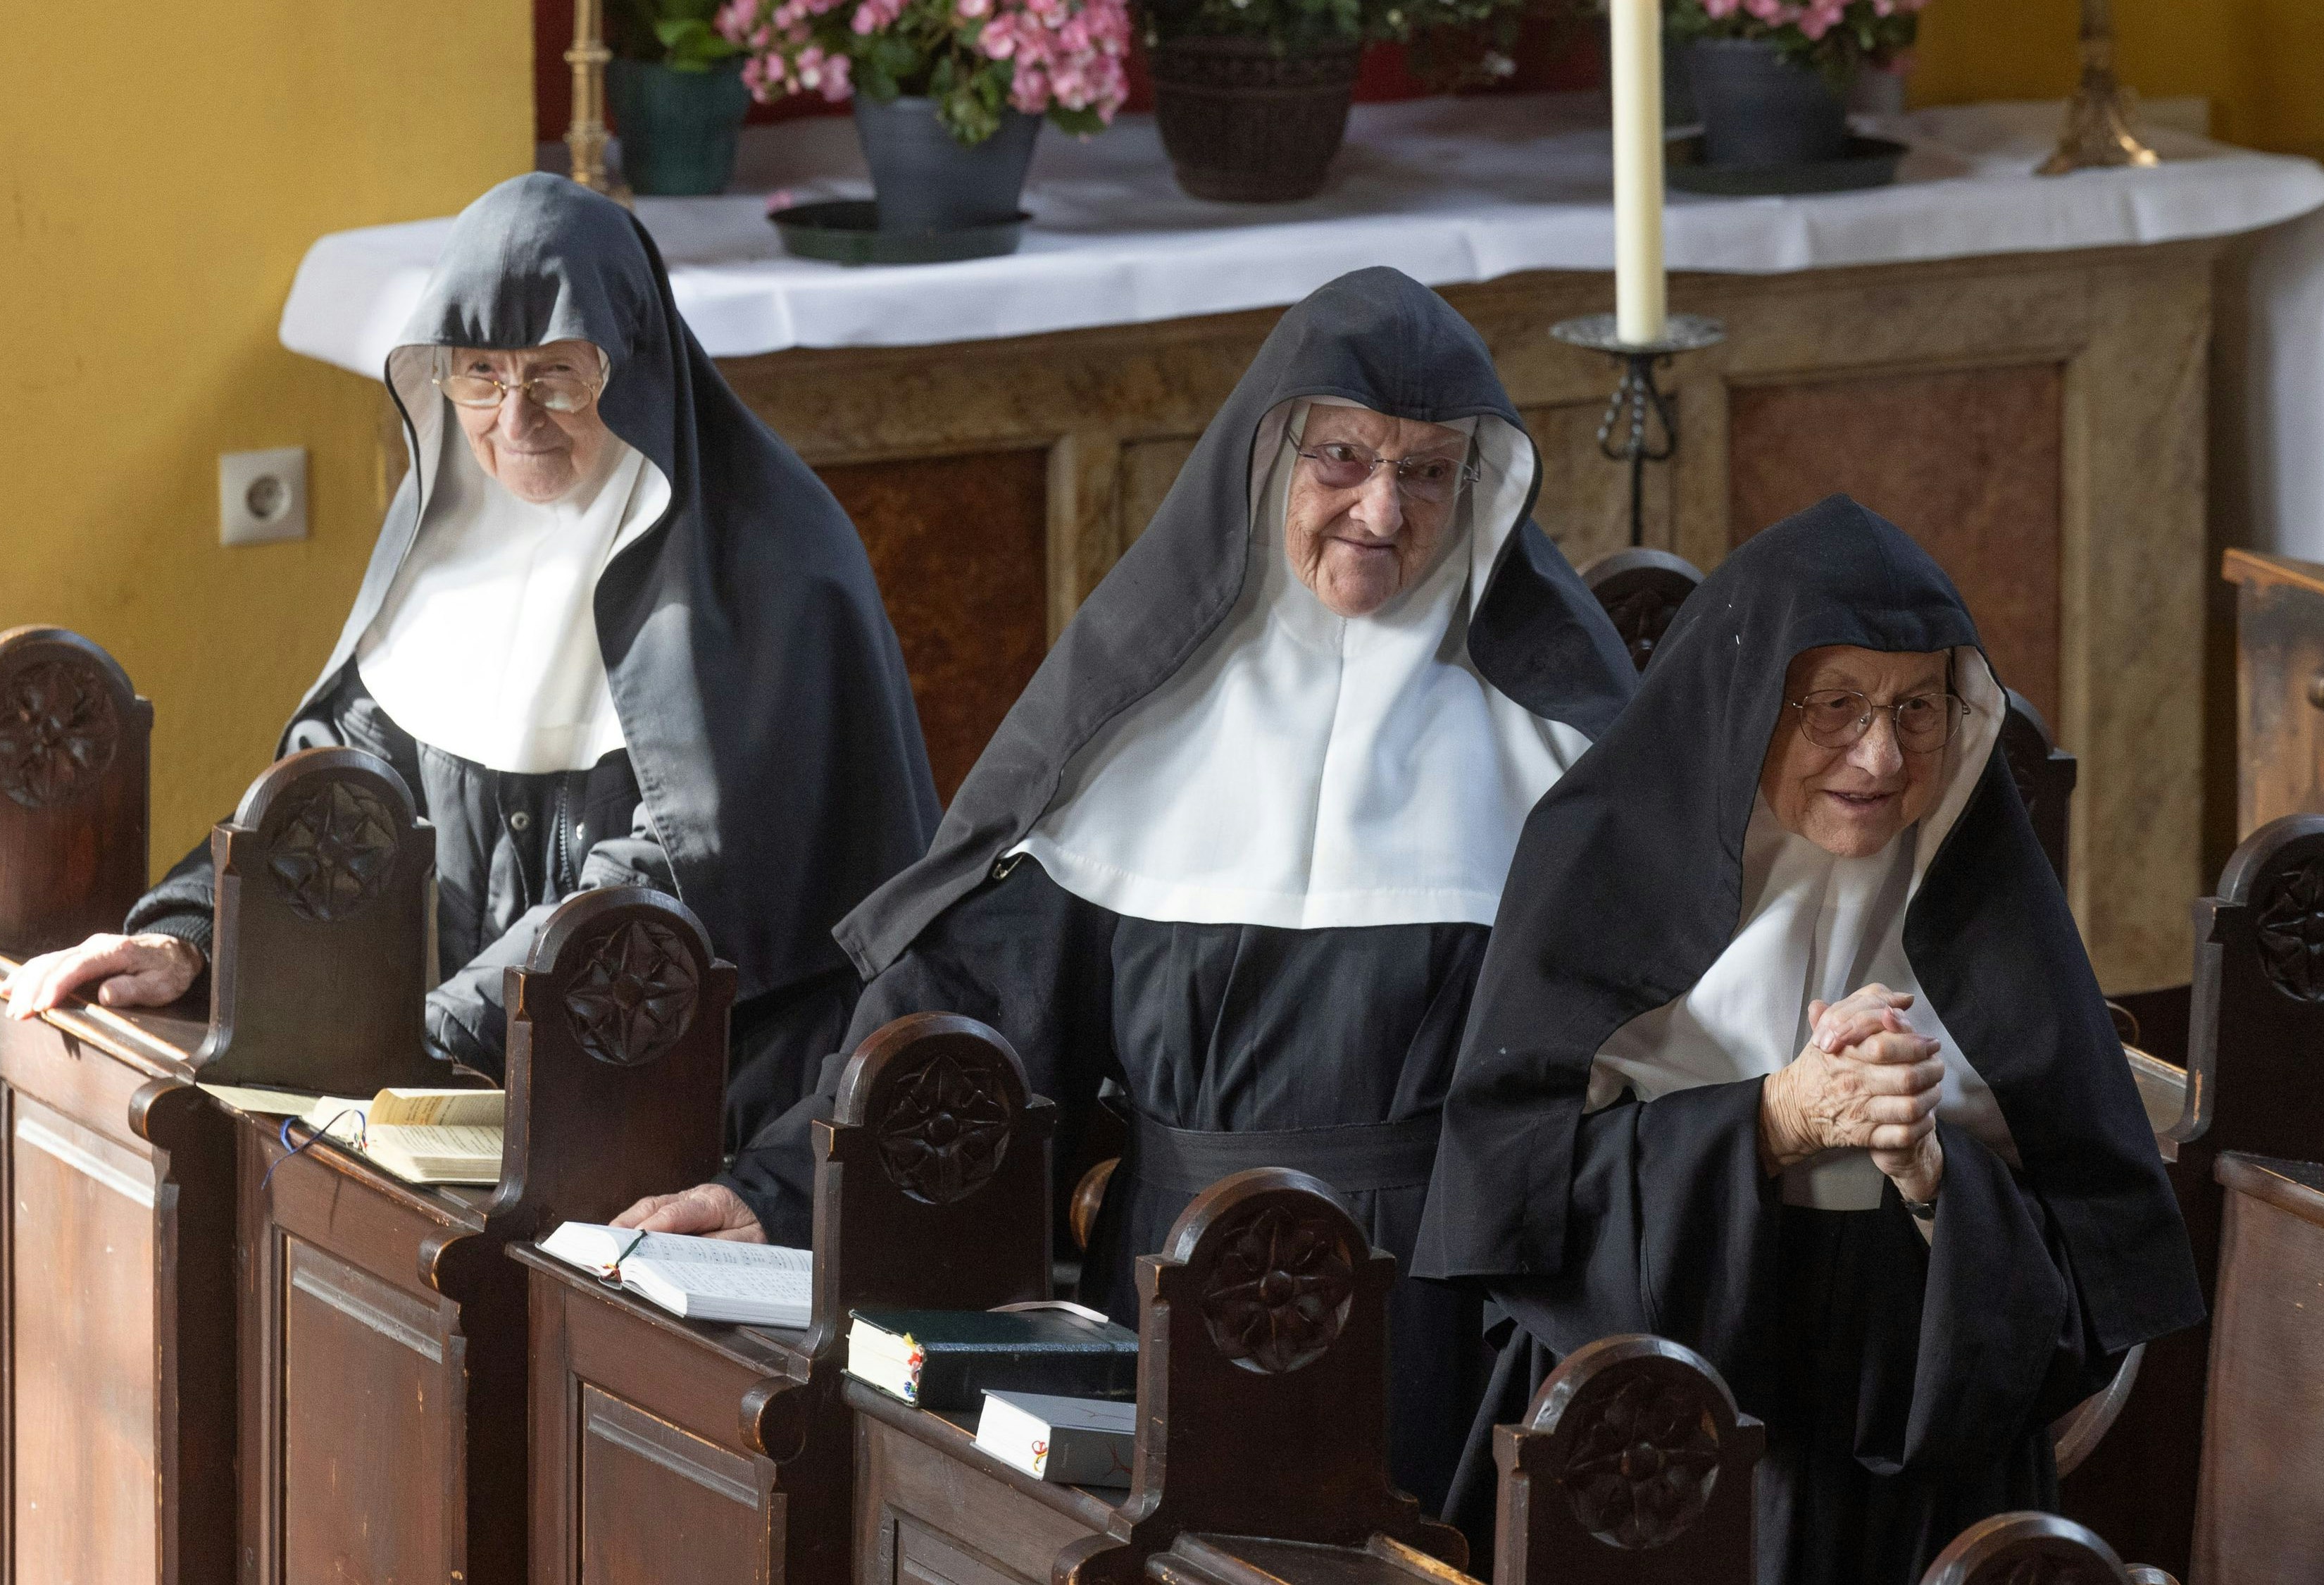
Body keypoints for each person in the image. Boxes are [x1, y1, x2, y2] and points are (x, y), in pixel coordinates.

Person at [613, 267, 1639, 1508]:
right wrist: (772, 1193)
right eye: (1344, 457)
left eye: (1429, 472)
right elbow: (962, 1026)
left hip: (1436, 1328)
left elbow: (1649, 1053)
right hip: (1161, 1306)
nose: (1382, 506)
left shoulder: (1556, 753)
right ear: (1264, 461)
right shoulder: (1141, 726)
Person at [3, 173, 939, 1139]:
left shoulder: (775, 566)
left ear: (637, 363)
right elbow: (335, 787)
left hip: (709, 1102)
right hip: (452, 1078)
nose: (514, 420)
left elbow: (679, 874)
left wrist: (435, 1041)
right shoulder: (449, 532)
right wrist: (188, 932)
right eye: (482, 376)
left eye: (559, 376)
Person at [1412, 495, 2203, 1584]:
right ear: (1745, 707)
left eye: (1917, 707)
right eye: (1834, 704)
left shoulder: (1988, 904)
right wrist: (1777, 1118)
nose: (1880, 756)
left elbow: (2084, 1280)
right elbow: (1514, 1202)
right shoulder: (1597, 862)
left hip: (1915, 1455)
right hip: (1646, 1446)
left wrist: (1932, 1178)